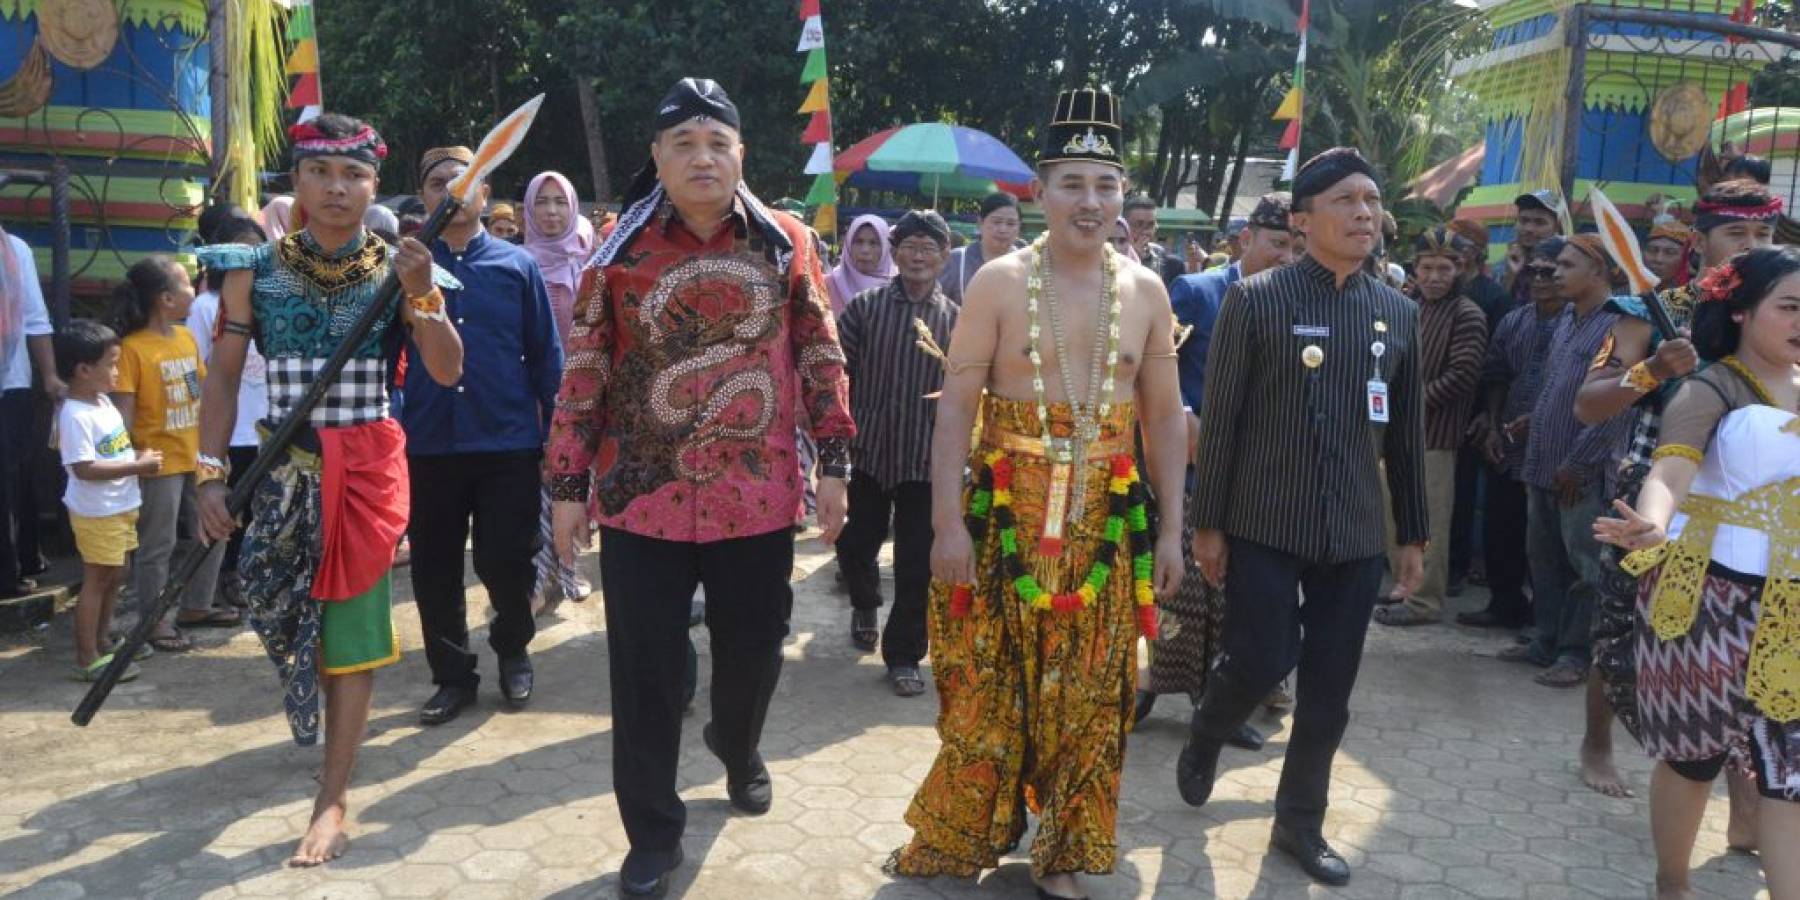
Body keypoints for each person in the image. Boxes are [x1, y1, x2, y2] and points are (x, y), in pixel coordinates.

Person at [545, 78, 854, 897]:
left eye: (717, 142)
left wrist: (835, 464)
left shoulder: (785, 243)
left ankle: (736, 742)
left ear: (742, 154)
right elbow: (586, 366)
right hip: (640, 497)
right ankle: (653, 832)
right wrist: (568, 482)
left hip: (756, 496)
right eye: (683, 143)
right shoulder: (617, 250)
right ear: (657, 158)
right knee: (642, 672)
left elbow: (820, 354)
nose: (702, 157)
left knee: (754, 651)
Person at [885, 87, 1185, 900]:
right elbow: (955, 411)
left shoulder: (1147, 292)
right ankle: (969, 829)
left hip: (1105, 528)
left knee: (1093, 697)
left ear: (1123, 194)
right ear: (1040, 191)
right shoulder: (998, 282)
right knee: (989, 690)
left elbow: (1163, 419)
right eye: (1072, 184)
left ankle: (1064, 851)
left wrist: (1170, 533)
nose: (1091, 202)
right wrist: (947, 526)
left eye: (1106, 185)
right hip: (1003, 523)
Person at [195, 113, 465, 865]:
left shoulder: (403, 268)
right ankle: (328, 755)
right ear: (298, 182)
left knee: (349, 637)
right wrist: (209, 474)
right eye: (321, 173)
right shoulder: (252, 268)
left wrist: (424, 294)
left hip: (364, 478)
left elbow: (447, 369)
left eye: (354, 175)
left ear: (375, 186)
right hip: (281, 476)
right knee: (280, 612)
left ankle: (332, 798)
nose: (337, 188)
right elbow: (222, 379)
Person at [1179, 147, 1428, 887]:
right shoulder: (1258, 301)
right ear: (1302, 220)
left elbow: (1406, 436)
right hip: (1264, 520)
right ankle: (1210, 723)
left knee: (1329, 690)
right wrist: (1207, 524)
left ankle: (1298, 823)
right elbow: (1222, 422)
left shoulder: (1398, 312)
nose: (1364, 213)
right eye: (1346, 200)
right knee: (1261, 657)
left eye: (1371, 200)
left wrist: (1412, 534)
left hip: (1353, 533)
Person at [1592, 244, 1800, 900]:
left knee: (1790, 774)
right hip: (1710, 601)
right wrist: (1653, 522)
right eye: (1790, 307)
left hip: (1792, 609)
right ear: (1741, 311)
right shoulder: (1710, 388)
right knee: (1694, 758)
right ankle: (1672, 885)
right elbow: (1670, 470)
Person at [1572, 178, 1778, 809]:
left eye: (1763, 233)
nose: (1750, 244)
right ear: (1701, 240)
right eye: (1736, 232)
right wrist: (1654, 370)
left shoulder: (1780, 313)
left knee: (1745, 642)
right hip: (1655, 493)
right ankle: (1596, 744)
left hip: (1750, 504)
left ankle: (1745, 798)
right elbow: (1588, 405)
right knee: (1622, 628)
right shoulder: (1650, 311)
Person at [402, 145, 564, 724]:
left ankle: (513, 647)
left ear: (486, 192)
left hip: (507, 441)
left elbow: (545, 355)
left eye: (464, 179)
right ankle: (452, 677)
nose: (452, 190)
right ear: (422, 198)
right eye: (438, 182)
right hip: (429, 441)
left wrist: (558, 437)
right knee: (435, 569)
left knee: (507, 561)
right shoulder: (403, 269)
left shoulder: (517, 266)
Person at [1141, 192, 1297, 737]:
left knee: (1241, 591)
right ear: (1246, 239)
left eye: (1297, 248)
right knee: (1186, 586)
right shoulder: (1198, 291)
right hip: (1193, 466)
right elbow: (1158, 366)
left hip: (1261, 475)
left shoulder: (1298, 303)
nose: (1287, 257)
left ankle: (1225, 698)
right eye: (1278, 243)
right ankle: (1162, 689)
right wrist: (1184, 415)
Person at [1495, 234, 1629, 688]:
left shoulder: (1618, 326)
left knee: (1585, 567)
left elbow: (1617, 407)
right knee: (1544, 559)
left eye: (1568, 265)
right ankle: (1545, 639)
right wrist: (1534, 420)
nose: (1555, 272)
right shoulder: (1568, 319)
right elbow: (1559, 386)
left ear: (1599, 271)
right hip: (1543, 463)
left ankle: (1575, 653)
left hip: (1580, 472)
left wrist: (1581, 462)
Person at [835, 210, 955, 695]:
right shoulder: (864, 308)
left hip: (924, 460)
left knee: (916, 564)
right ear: (895, 253)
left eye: (929, 248)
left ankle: (904, 654)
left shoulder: (957, 321)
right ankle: (865, 602)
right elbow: (835, 375)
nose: (918, 256)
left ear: (944, 256)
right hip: (867, 451)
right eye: (909, 246)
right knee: (853, 544)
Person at [113, 255, 238, 653]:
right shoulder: (131, 350)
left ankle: (197, 605)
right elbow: (123, 414)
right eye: (187, 283)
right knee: (158, 544)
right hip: (158, 463)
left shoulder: (185, 338)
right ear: (166, 299)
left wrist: (214, 451)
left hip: (195, 457)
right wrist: (128, 460)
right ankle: (154, 621)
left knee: (214, 531)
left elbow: (199, 394)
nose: (194, 290)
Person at [1374, 227, 1489, 626]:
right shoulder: (1408, 306)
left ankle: (1424, 602)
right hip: (1394, 434)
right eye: (1427, 268)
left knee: (1429, 524)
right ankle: (1404, 588)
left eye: (1444, 268)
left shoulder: (1468, 314)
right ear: (1415, 269)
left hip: (1437, 436)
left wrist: (1408, 404)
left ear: (1460, 269)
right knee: (1393, 516)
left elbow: (1462, 375)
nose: (1435, 277)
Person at [1464, 238, 1568, 631]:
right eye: (1533, 271)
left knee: (1547, 540)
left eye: (1549, 272)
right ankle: (1503, 604)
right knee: (1501, 526)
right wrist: (1492, 424)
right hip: (1508, 440)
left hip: (1554, 445)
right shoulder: (1515, 320)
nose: (1539, 279)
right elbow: (1496, 374)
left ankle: (1544, 621)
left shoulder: (1579, 323)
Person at [56, 319, 156, 682]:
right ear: (84, 370)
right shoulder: (75, 415)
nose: (117, 371)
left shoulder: (101, 403)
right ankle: (87, 657)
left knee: (116, 575)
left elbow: (111, 453)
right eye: (111, 364)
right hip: (98, 512)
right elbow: (83, 468)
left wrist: (135, 460)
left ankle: (102, 642)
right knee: (98, 579)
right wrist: (137, 466)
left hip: (120, 506)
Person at [521, 170, 597, 615]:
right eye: (542, 202)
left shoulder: (592, 263)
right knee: (537, 486)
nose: (551, 212)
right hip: (533, 396)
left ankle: (569, 567)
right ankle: (538, 576)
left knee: (575, 483)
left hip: (584, 393)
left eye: (560, 202)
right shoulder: (518, 263)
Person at [189, 210, 271, 612]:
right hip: (230, 430)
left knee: (260, 508)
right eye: (240, 252)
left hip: (265, 426)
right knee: (230, 509)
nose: (248, 261)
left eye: (256, 252)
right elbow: (198, 368)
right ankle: (228, 576)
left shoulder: (273, 304)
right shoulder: (206, 306)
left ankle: (254, 575)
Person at [0, 219, 58, 599]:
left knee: (10, 481)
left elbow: (36, 321)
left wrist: (50, 376)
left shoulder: (15, 250)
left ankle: (10, 571)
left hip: (11, 383)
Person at [940, 191, 1021, 304]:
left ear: (1019, 227)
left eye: (1011, 224)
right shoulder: (957, 260)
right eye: (997, 222)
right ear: (980, 223)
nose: (1003, 229)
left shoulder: (1028, 264)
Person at [1497, 190, 1562, 302]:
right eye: (1523, 221)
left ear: (1556, 227)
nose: (1529, 229)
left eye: (1540, 222)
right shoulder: (1505, 264)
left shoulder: (1565, 266)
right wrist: (1510, 275)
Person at [825, 213, 895, 315]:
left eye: (873, 243)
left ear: (886, 247)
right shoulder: (828, 285)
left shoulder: (897, 290)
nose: (865, 250)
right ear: (848, 245)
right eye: (859, 242)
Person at [1123, 193, 1186, 286]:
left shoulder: (1171, 265)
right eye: (1139, 224)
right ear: (1124, 226)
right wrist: (1133, 258)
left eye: (1150, 225)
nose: (1146, 231)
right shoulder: (1110, 259)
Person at [1643, 219, 1692, 288]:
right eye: (1652, 250)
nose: (1658, 259)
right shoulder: (1629, 290)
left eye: (1670, 253)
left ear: (1685, 259)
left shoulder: (1694, 292)